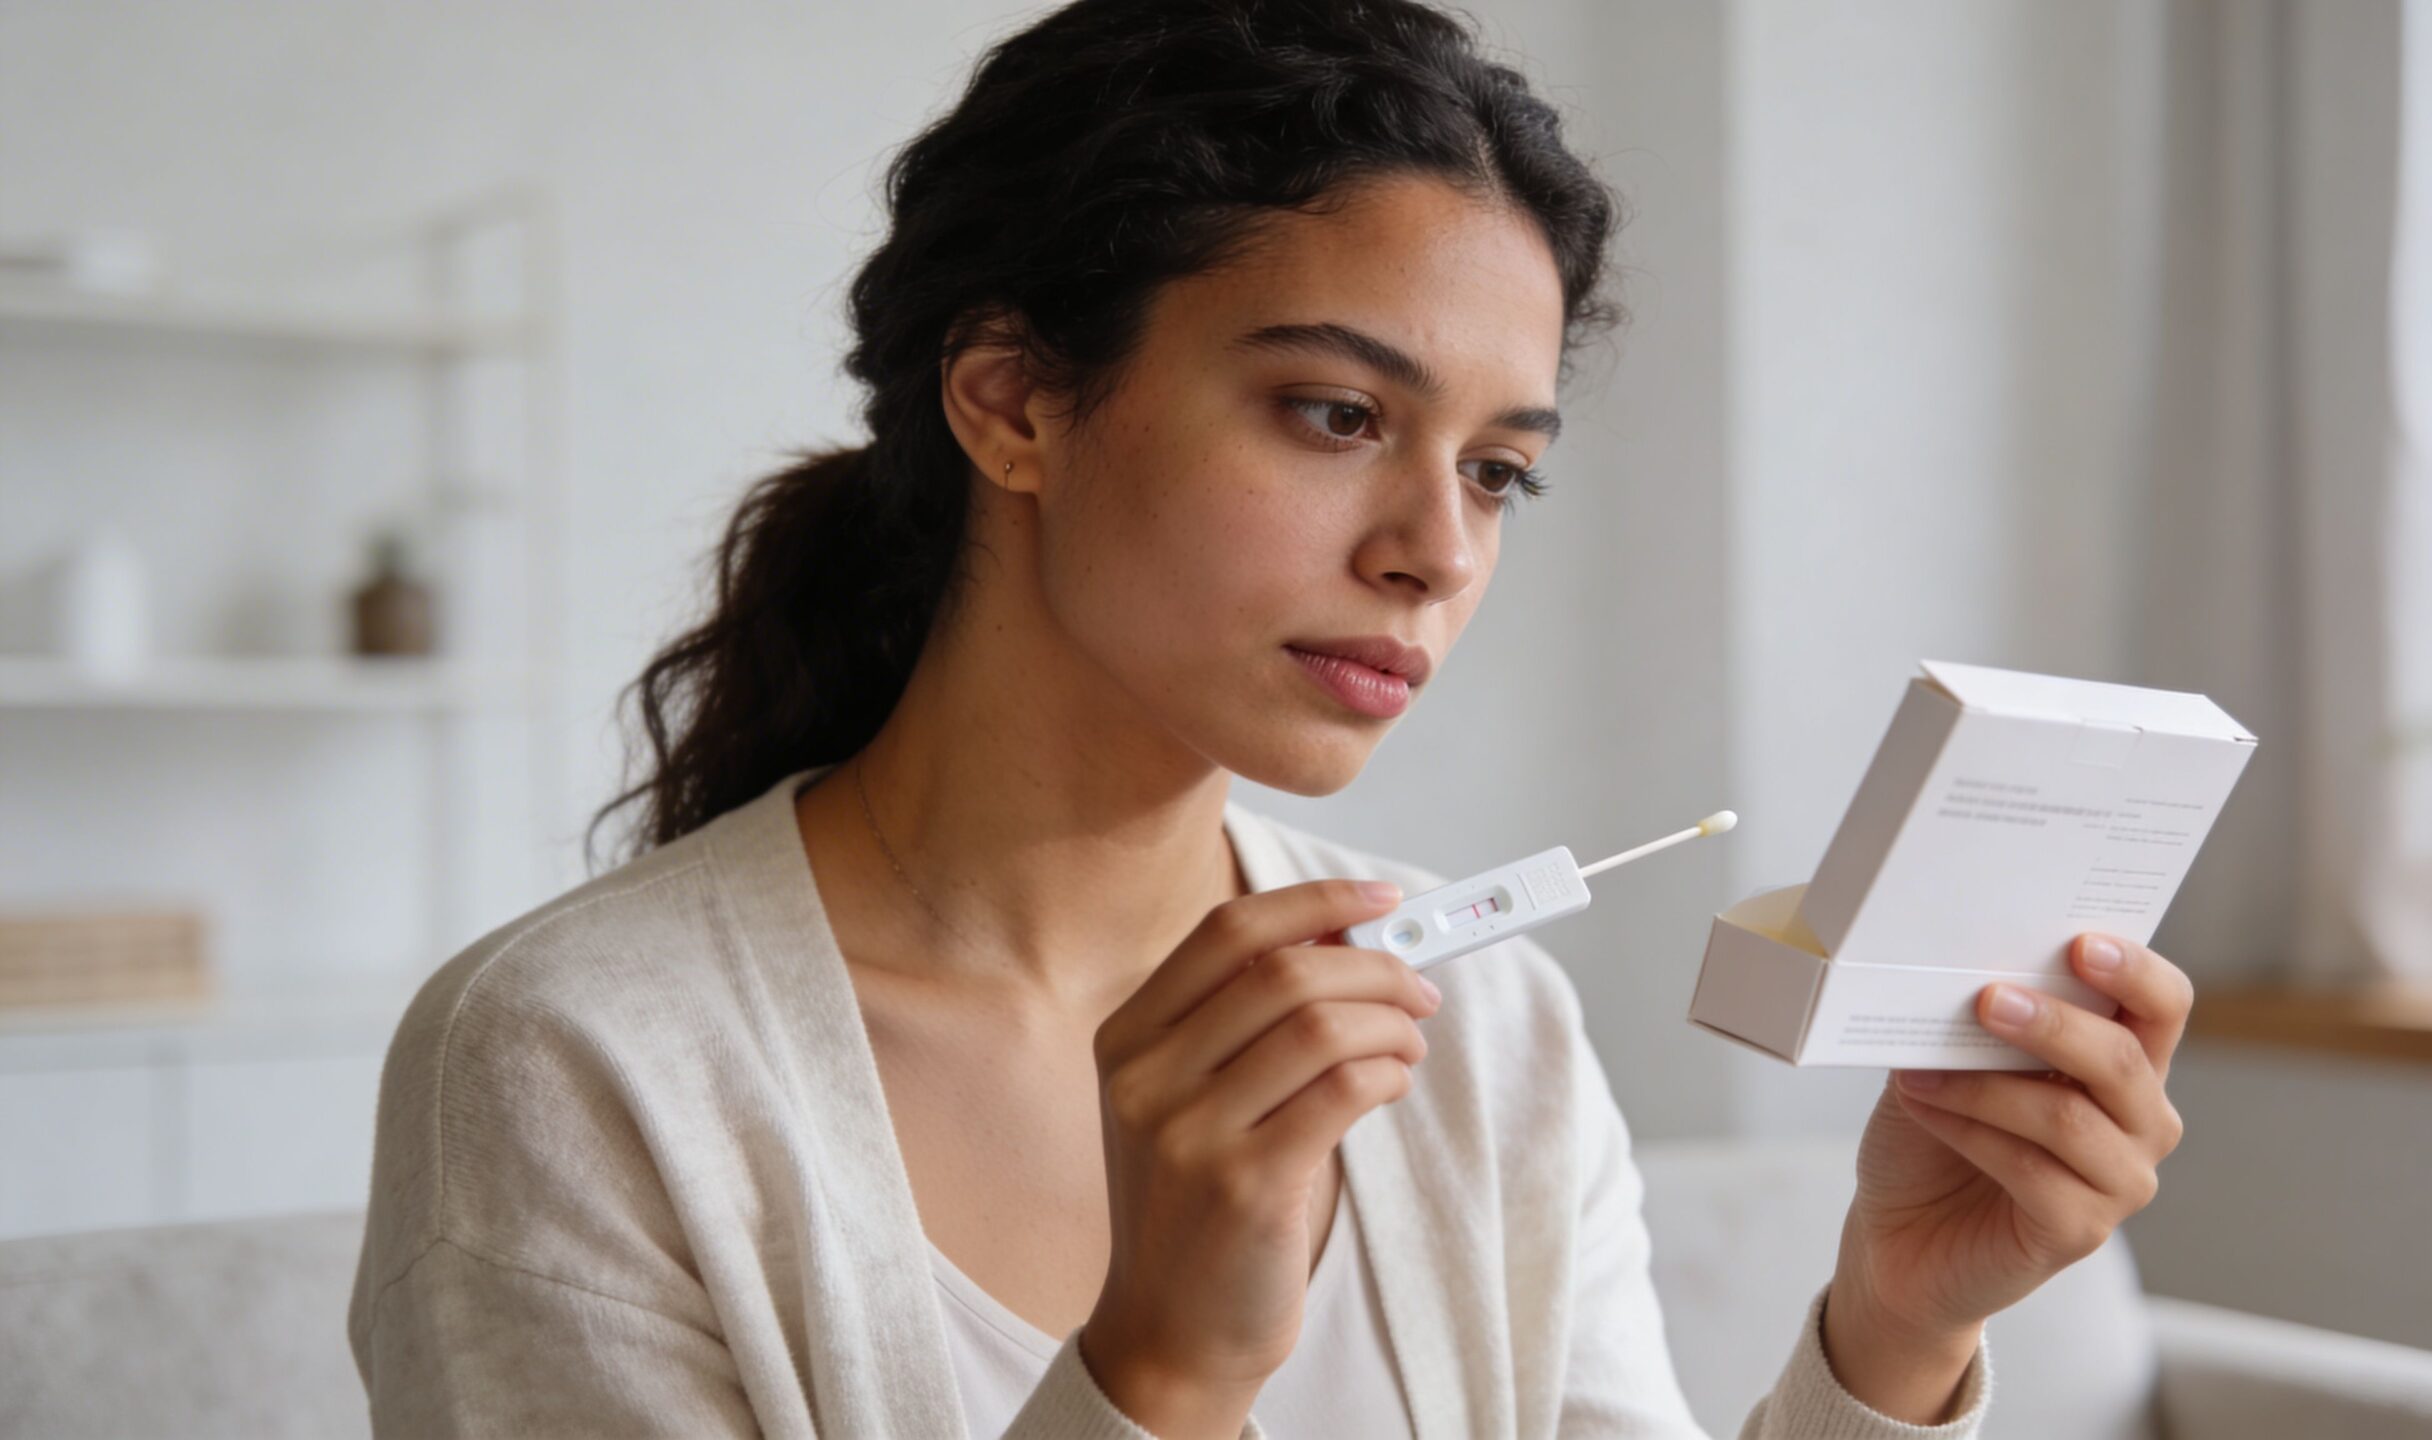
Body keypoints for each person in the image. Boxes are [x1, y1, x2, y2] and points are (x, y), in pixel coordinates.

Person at [347, 1, 2194, 1435]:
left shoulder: (1483, 1030)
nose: (1431, 552)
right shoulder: (580, 1063)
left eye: (1499, 474)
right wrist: (1152, 1378)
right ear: (1012, 402)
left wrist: (1900, 1325)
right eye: (1334, 414)